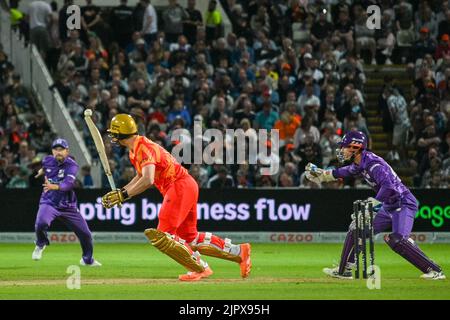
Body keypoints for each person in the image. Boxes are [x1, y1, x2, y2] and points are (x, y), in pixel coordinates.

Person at [101, 114, 251, 281]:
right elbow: (140, 177)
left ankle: (200, 268)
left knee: (163, 235)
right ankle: (239, 252)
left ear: (120, 134)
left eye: (114, 133)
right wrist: (122, 193)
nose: (112, 137)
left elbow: (148, 179)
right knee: (190, 238)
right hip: (185, 185)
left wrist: (123, 195)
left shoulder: (143, 148)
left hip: (178, 186)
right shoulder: (135, 149)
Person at [305, 131, 445, 280]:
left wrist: (371, 207)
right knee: (357, 228)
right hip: (389, 205)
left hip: (404, 203)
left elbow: (389, 187)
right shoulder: (361, 162)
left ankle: (435, 270)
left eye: (344, 147)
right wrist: (323, 174)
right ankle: (344, 269)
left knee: (397, 241)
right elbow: (345, 171)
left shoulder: (373, 164)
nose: (341, 150)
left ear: (355, 147)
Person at [32, 138, 101, 266]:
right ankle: (41, 243)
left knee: (86, 234)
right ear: (52, 151)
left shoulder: (72, 165)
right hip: (49, 201)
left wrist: (55, 186)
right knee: (41, 223)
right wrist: (40, 172)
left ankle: (87, 260)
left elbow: (69, 184)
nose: (58, 152)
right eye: (56, 149)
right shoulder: (47, 160)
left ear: (67, 151)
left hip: (68, 205)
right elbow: (46, 167)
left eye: (61, 149)